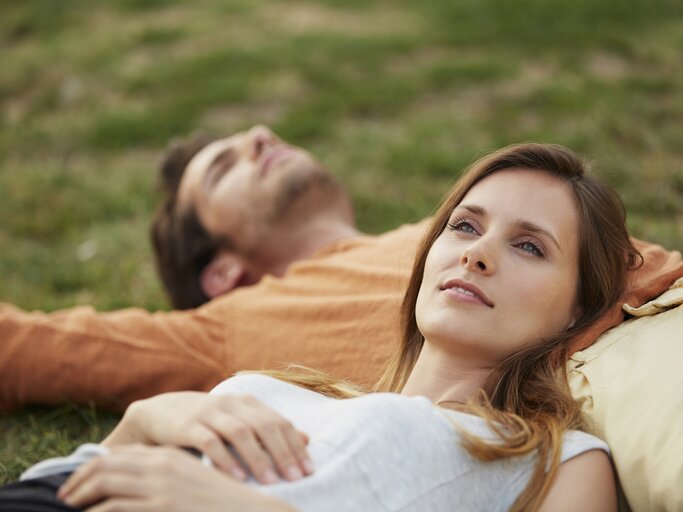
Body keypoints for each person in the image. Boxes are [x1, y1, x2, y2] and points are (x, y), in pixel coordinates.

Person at [1, 143, 635, 511]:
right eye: (463, 226)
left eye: (530, 246)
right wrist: (144, 421)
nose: (476, 254)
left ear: (581, 306)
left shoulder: (560, 460)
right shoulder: (294, 383)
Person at [1, 126, 679, 415]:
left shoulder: (463, 230)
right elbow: (29, 348)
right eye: (224, 165)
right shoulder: (221, 330)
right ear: (221, 271)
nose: (260, 135)